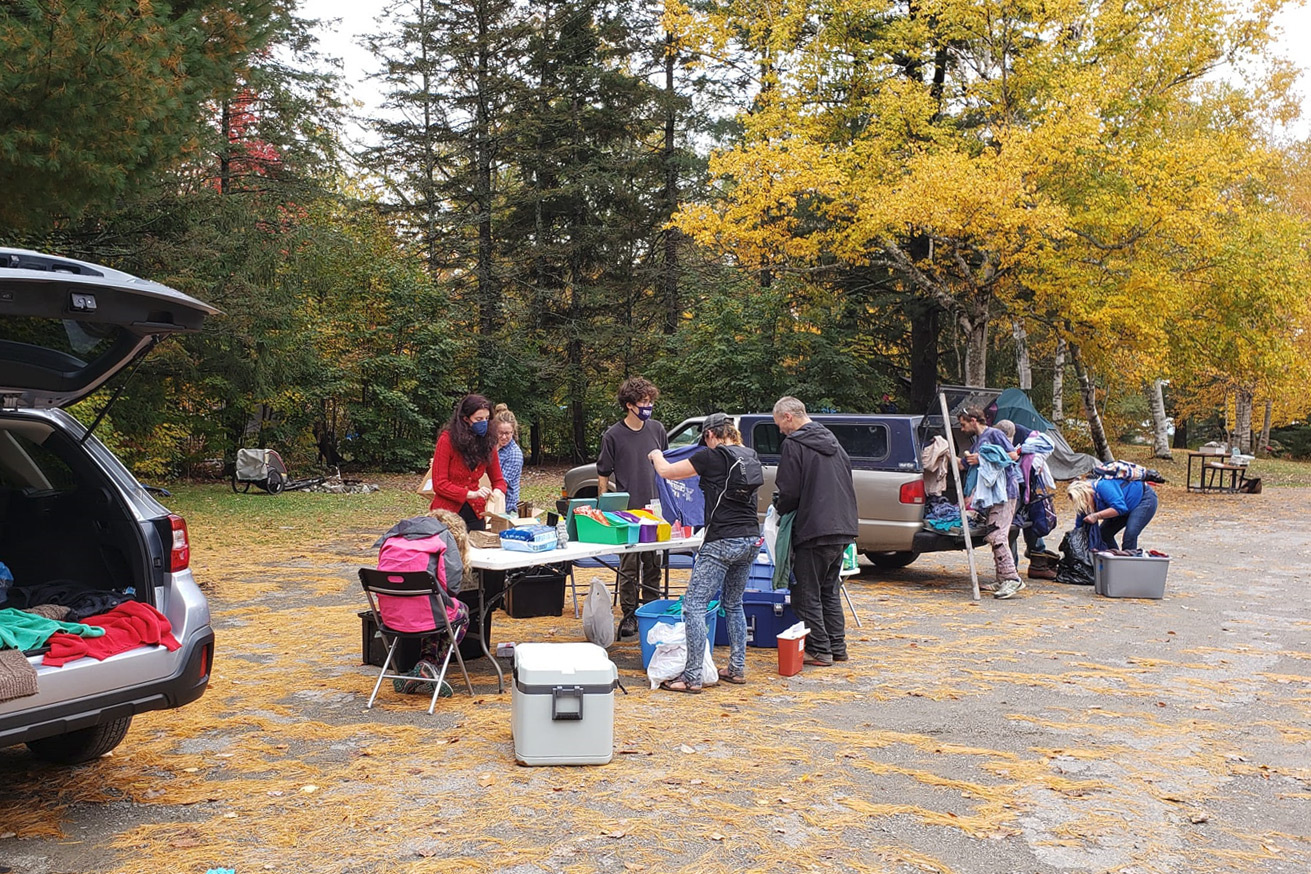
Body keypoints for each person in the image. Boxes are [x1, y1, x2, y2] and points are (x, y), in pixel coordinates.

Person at [649, 413, 762, 692]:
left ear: (710, 434)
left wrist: (655, 455)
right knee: (733, 603)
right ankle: (736, 669)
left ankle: (692, 677)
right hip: (750, 538)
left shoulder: (711, 456)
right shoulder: (749, 455)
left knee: (694, 606)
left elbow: (667, 472)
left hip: (721, 540)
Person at [772, 397, 858, 666]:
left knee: (805, 593)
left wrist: (780, 507)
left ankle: (819, 650)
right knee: (828, 590)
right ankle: (837, 646)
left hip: (814, 528)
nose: (780, 430)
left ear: (788, 417)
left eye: (779, 424)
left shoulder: (794, 444)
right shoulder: (833, 442)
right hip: (842, 526)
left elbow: (789, 490)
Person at [597, 377, 669, 639]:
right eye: (643, 402)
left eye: (650, 401)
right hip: (626, 512)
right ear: (629, 405)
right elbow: (603, 473)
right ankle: (629, 614)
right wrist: (604, 508)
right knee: (628, 566)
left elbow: (666, 466)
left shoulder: (657, 429)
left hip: (655, 509)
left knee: (653, 564)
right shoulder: (613, 435)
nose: (648, 406)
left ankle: (651, 611)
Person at [958, 407, 1024, 599]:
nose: (962, 429)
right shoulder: (979, 441)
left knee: (998, 535)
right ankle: (1002, 578)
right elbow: (963, 464)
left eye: (963, 424)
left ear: (973, 420)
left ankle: (1012, 579)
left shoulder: (994, 434)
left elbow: (1013, 455)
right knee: (993, 534)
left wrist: (981, 458)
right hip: (991, 494)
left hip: (1005, 492)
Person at [427, 394, 508, 531]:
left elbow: (499, 480)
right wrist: (471, 494)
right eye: (479, 419)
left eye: (487, 418)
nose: (484, 423)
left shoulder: (489, 442)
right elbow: (440, 484)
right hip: (446, 514)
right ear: (465, 419)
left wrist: (498, 492)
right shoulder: (446, 440)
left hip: (475, 513)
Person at [994, 419, 1059, 580]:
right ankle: (1011, 569)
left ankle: (1038, 564)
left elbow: (1045, 446)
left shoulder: (1023, 432)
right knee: (1011, 526)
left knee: (1032, 521)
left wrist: (1029, 457)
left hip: (1028, 485)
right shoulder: (995, 437)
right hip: (1010, 489)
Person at [1067, 477, 1159, 551]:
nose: (1084, 505)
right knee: (1104, 534)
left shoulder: (1103, 486)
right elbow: (1079, 526)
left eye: (1083, 502)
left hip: (1143, 499)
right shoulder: (1085, 503)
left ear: (1086, 494)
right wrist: (1073, 540)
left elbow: (1119, 508)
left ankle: (1129, 565)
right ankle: (1115, 561)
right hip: (1124, 506)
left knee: (1130, 535)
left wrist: (1096, 516)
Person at [493, 404, 524, 513]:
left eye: (507, 433)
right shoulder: (489, 447)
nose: (504, 437)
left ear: (513, 432)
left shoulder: (514, 454)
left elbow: (501, 483)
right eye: (500, 433)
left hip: (506, 510)